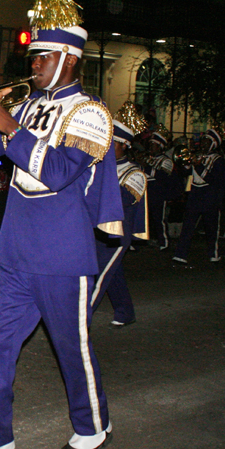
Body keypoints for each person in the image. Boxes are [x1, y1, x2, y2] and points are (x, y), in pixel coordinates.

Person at [0, 0, 123, 449]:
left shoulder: (92, 113)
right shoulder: (26, 104)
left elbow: (58, 171)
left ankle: (93, 426)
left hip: (63, 252)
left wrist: (8, 124)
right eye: (32, 57)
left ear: (69, 59)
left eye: (41, 57)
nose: (32, 64)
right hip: (16, 249)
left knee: (72, 347)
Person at [91, 102, 148, 327]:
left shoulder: (134, 173)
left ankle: (78, 322)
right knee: (111, 273)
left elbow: (123, 200)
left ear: (124, 145)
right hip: (94, 229)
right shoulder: (98, 166)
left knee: (96, 278)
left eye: (111, 143)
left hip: (116, 234)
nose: (105, 146)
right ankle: (125, 312)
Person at [171, 128, 225, 264]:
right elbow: (189, 176)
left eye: (207, 141)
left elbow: (215, 180)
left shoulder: (218, 160)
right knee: (188, 226)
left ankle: (214, 254)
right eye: (203, 141)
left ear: (213, 144)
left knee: (212, 228)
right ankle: (180, 254)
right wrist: (186, 167)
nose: (203, 144)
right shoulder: (196, 155)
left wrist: (199, 166)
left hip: (210, 196)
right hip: (195, 194)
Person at [142, 125, 179, 250]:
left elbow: (161, 176)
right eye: (150, 144)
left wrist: (148, 166)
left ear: (160, 146)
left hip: (159, 195)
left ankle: (164, 242)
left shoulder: (166, 161)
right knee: (146, 219)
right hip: (148, 193)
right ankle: (146, 240)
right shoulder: (148, 159)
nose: (151, 147)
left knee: (159, 220)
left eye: (154, 145)